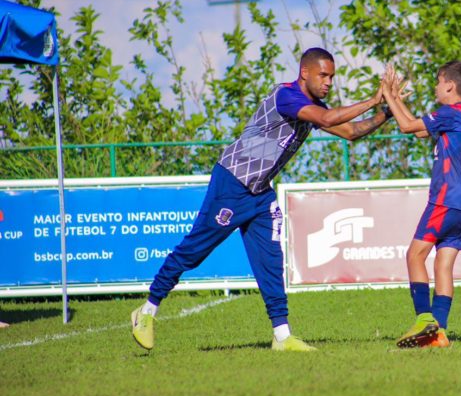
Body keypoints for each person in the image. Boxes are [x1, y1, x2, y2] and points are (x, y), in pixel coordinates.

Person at [131, 48, 392, 352]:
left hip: (260, 192)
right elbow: (329, 117)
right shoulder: (287, 96)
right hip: (232, 182)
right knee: (194, 250)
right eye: (323, 75)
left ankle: (282, 337)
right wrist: (373, 99)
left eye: (332, 76)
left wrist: (386, 112)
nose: (329, 82)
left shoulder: (312, 105)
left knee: (270, 260)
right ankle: (147, 310)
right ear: (304, 72)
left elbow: (350, 132)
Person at [381, 61, 461, 348]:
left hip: (449, 197)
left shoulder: (449, 112)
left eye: (438, 81)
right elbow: (419, 131)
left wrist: (387, 94)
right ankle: (439, 333)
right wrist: (397, 100)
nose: (435, 86)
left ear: (450, 85)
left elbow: (406, 126)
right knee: (443, 265)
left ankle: (425, 320)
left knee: (414, 255)